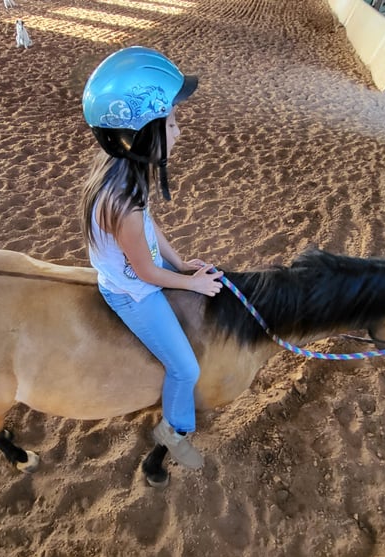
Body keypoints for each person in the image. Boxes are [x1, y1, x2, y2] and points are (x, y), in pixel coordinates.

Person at [80, 46, 224, 470]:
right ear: (142, 134)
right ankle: (173, 431)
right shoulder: (124, 204)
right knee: (186, 370)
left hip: (136, 272)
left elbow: (152, 231)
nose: (179, 132)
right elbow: (144, 270)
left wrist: (180, 262)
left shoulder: (124, 174)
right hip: (131, 293)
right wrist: (192, 284)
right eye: (172, 123)